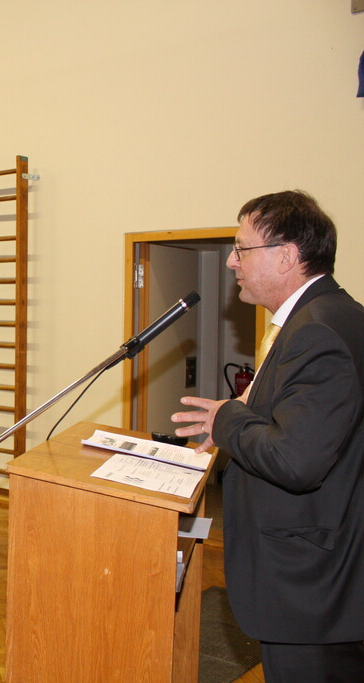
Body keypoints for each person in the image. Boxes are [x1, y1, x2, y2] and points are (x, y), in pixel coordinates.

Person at [172, 190, 364, 681]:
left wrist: (228, 420)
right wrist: (239, 415)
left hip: (311, 585)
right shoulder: (331, 315)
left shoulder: (317, 332)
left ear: (286, 256)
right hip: (328, 571)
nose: (232, 261)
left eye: (242, 248)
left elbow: (296, 460)